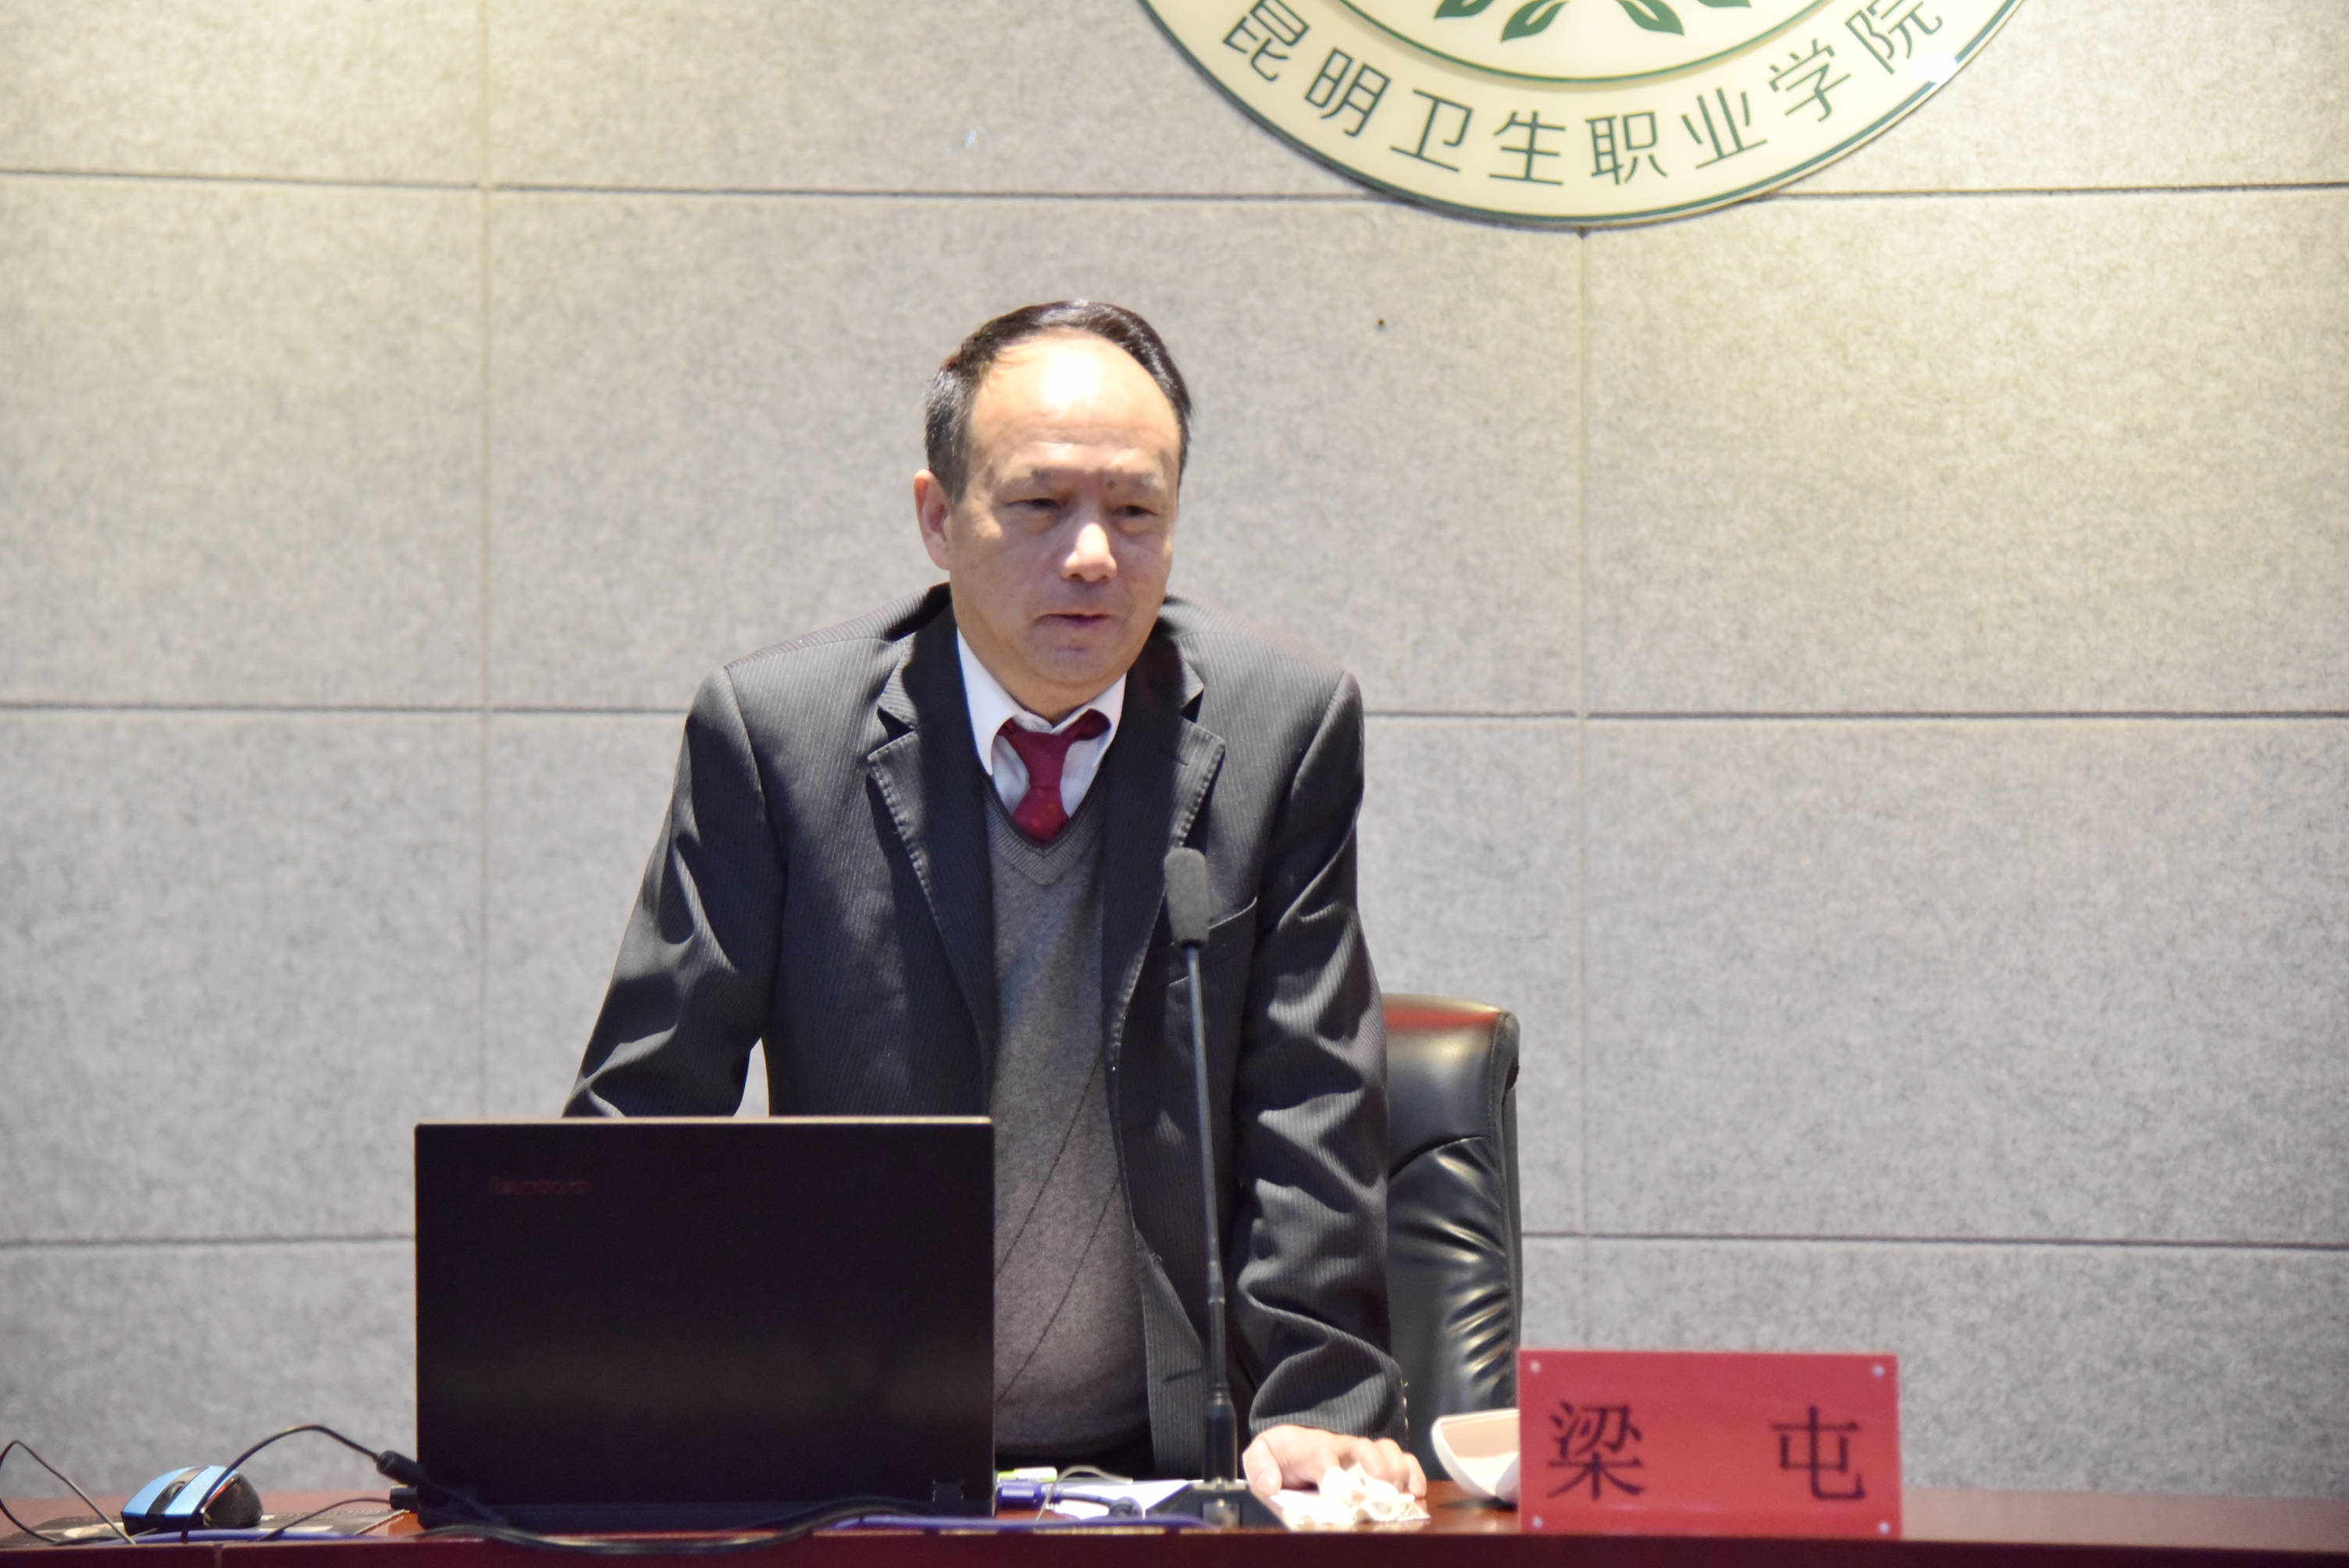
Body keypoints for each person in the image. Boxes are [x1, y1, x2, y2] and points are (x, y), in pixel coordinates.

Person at [567, 301, 1424, 1501]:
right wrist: (586, 1422)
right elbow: (651, 1110)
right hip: (862, 1449)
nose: (1092, 555)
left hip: (1171, 1455)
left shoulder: (1280, 727)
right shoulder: (779, 738)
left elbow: (1309, 1093)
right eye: (1039, 504)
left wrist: (1317, 1410)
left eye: (1136, 512)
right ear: (939, 518)